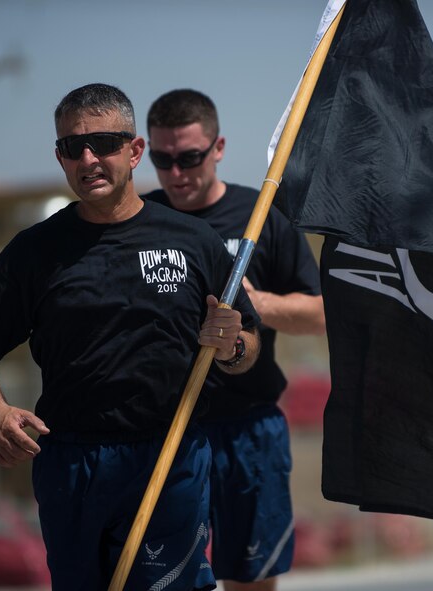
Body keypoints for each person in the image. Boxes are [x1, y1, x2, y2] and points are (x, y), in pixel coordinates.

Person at [0, 82, 261, 591]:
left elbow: (246, 344)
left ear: (135, 151)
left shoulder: (193, 241)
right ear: (60, 157)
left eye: (106, 145)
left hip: (170, 455)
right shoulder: (33, 252)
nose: (89, 159)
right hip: (72, 466)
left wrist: (233, 346)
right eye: (74, 148)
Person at [143, 89, 325, 591]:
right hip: (165, 430)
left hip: (247, 428)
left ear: (218, 147)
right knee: (164, 579)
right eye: (163, 160)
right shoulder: (143, 221)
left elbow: (320, 315)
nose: (176, 174)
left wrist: (251, 303)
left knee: (249, 578)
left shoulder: (263, 216)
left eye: (190, 158)